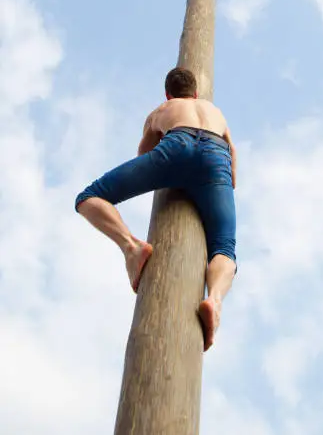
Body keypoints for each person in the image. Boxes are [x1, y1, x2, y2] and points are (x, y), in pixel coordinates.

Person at [75, 67, 237, 351]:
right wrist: (218, 184)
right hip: (216, 156)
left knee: (89, 197)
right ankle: (215, 300)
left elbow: (144, 154)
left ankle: (132, 248)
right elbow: (233, 158)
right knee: (224, 247)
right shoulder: (215, 111)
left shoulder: (162, 109)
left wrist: (168, 170)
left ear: (168, 93)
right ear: (196, 93)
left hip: (177, 145)